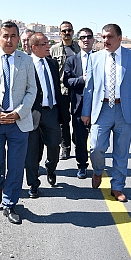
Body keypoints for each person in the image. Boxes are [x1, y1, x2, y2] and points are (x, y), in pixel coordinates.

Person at [0, 21, 37, 224]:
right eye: (5, 36)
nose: (9, 40)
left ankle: (10, 203)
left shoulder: (26, 61)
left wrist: (19, 113)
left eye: (13, 36)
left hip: (18, 122)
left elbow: (31, 90)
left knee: (16, 165)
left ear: (18, 39)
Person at [81, 24, 131, 202]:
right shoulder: (95, 58)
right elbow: (89, 89)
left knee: (121, 152)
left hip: (123, 110)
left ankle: (117, 186)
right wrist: (85, 111)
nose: (106, 40)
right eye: (103, 37)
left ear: (120, 38)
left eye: (110, 37)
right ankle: (97, 171)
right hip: (101, 109)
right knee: (96, 147)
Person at [25, 32, 62, 198]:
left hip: (51, 112)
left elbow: (57, 89)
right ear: (34, 48)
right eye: (44, 44)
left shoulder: (52, 63)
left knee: (54, 145)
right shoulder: (26, 65)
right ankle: (33, 184)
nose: (48, 46)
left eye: (48, 43)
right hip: (32, 114)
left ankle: (51, 167)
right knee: (32, 151)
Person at [64, 27, 95, 179]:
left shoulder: (100, 58)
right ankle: (82, 165)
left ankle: (98, 164)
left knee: (97, 138)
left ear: (93, 40)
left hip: (98, 105)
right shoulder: (71, 60)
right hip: (78, 105)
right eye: (83, 37)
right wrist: (82, 79)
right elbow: (66, 81)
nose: (86, 40)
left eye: (89, 37)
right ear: (78, 41)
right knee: (80, 138)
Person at [50, 21, 78, 160]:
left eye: (69, 30)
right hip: (61, 90)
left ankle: (77, 142)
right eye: (64, 31)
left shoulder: (79, 48)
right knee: (63, 121)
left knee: (78, 119)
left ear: (73, 32)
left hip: (78, 90)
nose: (67, 33)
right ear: (60, 33)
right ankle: (65, 148)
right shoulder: (53, 50)